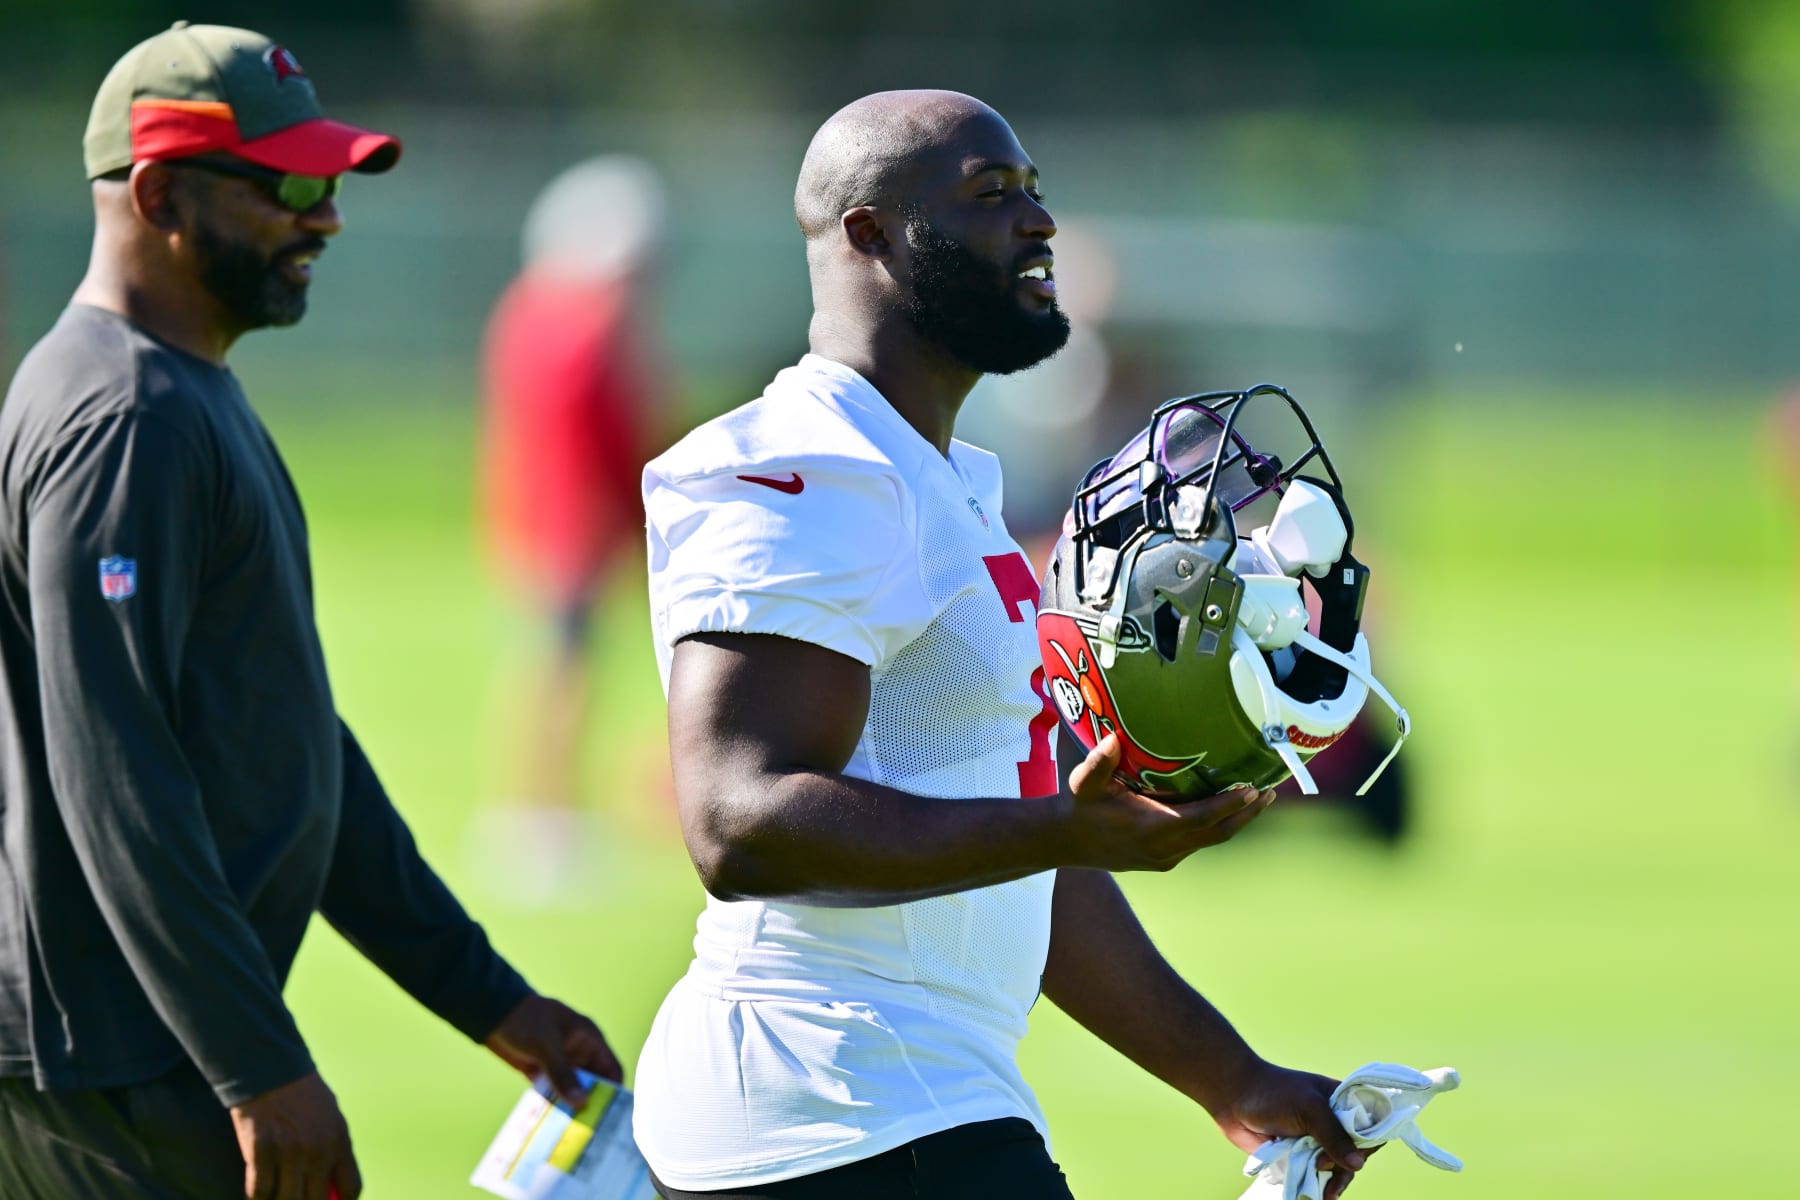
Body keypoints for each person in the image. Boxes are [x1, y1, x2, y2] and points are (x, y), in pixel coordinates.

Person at [635, 90, 1369, 1199]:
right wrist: (1051, 825)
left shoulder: (945, 482)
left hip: (908, 1104)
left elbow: (1024, 846)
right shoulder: (809, 469)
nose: (1040, 223)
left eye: (1035, 191)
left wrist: (1232, 1078)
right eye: (991, 196)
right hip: (833, 1108)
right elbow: (738, 819)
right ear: (869, 234)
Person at [0, 23, 620, 1200]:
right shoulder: (125, 418)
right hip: (114, 1068)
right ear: (160, 193)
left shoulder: (183, 394)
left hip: (142, 1054)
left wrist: (488, 998)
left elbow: (290, 743)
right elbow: (115, 775)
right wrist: (258, 1072)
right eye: (289, 185)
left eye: (329, 184)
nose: (325, 217)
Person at [474, 156, 668, 899]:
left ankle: (541, 814)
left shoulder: (529, 312)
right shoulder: (589, 329)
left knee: (553, 670)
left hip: (543, 524)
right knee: (561, 674)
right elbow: (618, 436)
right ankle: (539, 819)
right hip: (569, 531)